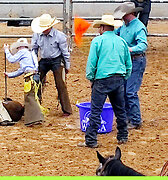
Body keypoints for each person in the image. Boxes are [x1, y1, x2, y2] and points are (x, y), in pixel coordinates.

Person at [78, 15, 132, 148]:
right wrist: (124, 76)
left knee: (95, 110)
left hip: (102, 79)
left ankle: (91, 140)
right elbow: (128, 63)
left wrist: (91, 78)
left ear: (102, 27)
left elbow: (92, 63)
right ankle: (122, 136)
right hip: (118, 78)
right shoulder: (122, 42)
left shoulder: (97, 41)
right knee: (120, 109)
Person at [114, 2, 148, 129]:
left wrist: (130, 49)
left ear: (130, 14)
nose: (122, 17)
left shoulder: (138, 27)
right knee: (124, 91)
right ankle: (129, 118)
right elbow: (116, 34)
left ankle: (135, 120)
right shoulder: (124, 26)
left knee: (130, 92)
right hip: (128, 61)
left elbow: (143, 45)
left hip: (136, 60)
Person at [31, 14, 72, 116]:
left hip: (57, 60)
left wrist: (67, 66)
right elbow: (34, 50)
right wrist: (33, 65)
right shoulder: (36, 35)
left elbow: (65, 52)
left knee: (60, 84)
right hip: (43, 60)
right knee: (36, 81)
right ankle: (35, 106)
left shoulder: (59, 36)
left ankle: (67, 109)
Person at [3, 38, 44, 127]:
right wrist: (9, 75)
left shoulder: (23, 52)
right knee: (32, 96)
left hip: (29, 76)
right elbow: (21, 70)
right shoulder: (29, 54)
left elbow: (12, 60)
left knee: (30, 98)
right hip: (34, 75)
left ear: (20, 47)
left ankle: (34, 119)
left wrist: (6, 50)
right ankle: (36, 117)